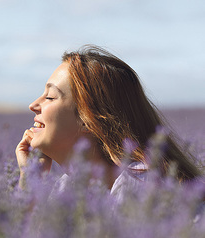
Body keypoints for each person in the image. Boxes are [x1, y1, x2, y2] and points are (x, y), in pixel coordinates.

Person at [16, 45, 201, 191]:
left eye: (50, 97)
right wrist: (30, 178)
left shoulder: (139, 186)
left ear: (87, 117)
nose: (33, 105)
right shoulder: (68, 188)